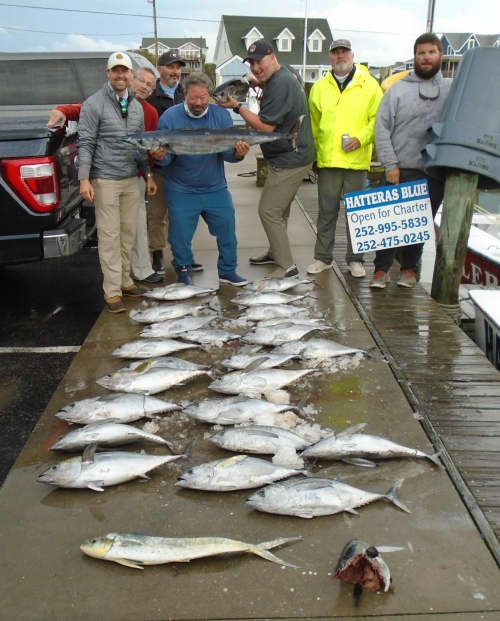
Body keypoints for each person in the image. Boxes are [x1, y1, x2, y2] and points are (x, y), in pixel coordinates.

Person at [47, 66, 162, 285]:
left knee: (135, 226)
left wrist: (150, 170)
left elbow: (148, 146)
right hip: (106, 177)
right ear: (132, 79)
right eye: (142, 81)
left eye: (150, 85)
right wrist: (62, 110)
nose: (145, 87)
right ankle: (115, 282)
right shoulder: (104, 101)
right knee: (111, 232)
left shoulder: (149, 112)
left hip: (135, 176)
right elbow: (81, 109)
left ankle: (140, 271)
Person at [218, 39, 315, 278]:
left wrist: (237, 107)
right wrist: (258, 83)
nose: (255, 67)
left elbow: (265, 128)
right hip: (296, 153)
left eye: (259, 61)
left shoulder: (279, 84)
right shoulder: (286, 73)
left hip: (289, 158)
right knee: (279, 211)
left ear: (272, 57)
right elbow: (274, 85)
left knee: (269, 211)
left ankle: (287, 267)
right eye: (251, 63)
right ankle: (276, 252)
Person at [371, 32, 452, 289]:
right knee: (390, 223)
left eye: (431, 52)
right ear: (414, 57)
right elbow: (381, 128)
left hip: (434, 171)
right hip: (400, 168)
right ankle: (381, 271)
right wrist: (390, 164)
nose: (426, 57)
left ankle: (408, 270)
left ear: (440, 55)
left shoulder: (453, 89)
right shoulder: (397, 89)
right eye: (421, 53)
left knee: (419, 224)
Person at [154, 72, 250, 287]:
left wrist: (238, 154)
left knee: (227, 230)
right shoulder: (169, 118)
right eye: (193, 98)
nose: (198, 103)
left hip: (215, 187)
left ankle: (228, 271)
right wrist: (160, 158)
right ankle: (183, 270)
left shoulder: (222, 116)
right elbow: (167, 160)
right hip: (181, 188)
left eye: (203, 97)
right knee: (179, 236)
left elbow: (227, 155)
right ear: (184, 95)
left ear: (210, 95)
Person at [77, 52, 151, 313]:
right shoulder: (93, 104)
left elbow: (140, 144)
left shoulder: (136, 106)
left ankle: (125, 281)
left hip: (130, 178)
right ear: (108, 73)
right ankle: (112, 292)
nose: (121, 75)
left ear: (131, 75)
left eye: (125, 71)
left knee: (128, 233)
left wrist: (148, 174)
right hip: (105, 179)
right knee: (110, 236)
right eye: (116, 70)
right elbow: (85, 142)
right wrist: (84, 179)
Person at [307, 39, 383, 278]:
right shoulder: (319, 87)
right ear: (330, 56)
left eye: (344, 52)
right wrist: (314, 156)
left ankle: (356, 260)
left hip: (356, 161)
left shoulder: (370, 85)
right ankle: (322, 258)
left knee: (357, 214)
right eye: (335, 52)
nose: (340, 56)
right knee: (326, 212)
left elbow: (378, 120)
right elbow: (313, 124)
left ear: (352, 54)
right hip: (328, 161)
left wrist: (361, 138)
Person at [146, 50, 203, 275]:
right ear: (160, 69)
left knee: (182, 215)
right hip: (160, 167)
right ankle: (157, 254)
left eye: (178, 67)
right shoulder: (150, 96)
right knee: (157, 214)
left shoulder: (186, 94)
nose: (175, 72)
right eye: (171, 67)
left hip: (183, 167)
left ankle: (183, 255)